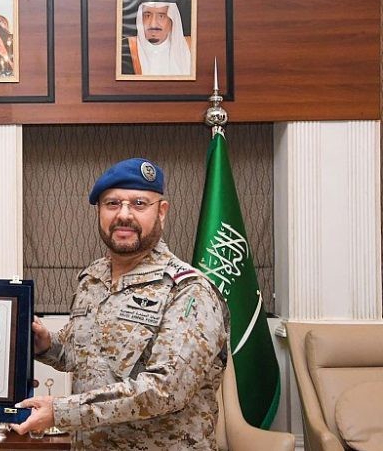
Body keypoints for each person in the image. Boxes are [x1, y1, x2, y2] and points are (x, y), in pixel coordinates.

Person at [12, 158, 230, 450]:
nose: (124, 215)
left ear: (161, 212)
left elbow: (166, 390)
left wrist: (61, 411)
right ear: (99, 212)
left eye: (139, 204)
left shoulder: (188, 290)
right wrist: (44, 344)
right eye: (112, 204)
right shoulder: (92, 279)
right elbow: (88, 356)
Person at [122, 0, 192, 76]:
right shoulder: (125, 48)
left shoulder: (190, 47)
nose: (153, 24)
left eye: (161, 16)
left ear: (172, 20)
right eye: (147, 16)